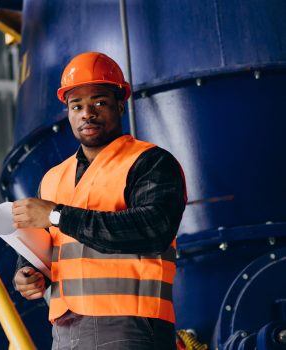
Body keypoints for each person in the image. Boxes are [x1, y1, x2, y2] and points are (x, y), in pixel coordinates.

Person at [12, 52, 186, 350]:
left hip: (132, 325)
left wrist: (57, 215)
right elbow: (44, 246)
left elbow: (153, 228)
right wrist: (27, 274)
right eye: (76, 105)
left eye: (99, 102)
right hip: (65, 329)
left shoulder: (150, 162)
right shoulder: (52, 178)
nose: (86, 113)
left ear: (120, 105)